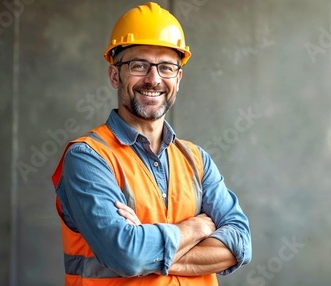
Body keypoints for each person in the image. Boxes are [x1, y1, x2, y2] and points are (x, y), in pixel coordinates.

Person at [51, 2, 252, 285]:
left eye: (167, 67)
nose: (154, 79)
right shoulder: (87, 157)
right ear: (114, 75)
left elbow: (240, 244)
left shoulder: (196, 159)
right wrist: (197, 226)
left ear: (178, 79)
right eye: (139, 65)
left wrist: (146, 246)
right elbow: (127, 256)